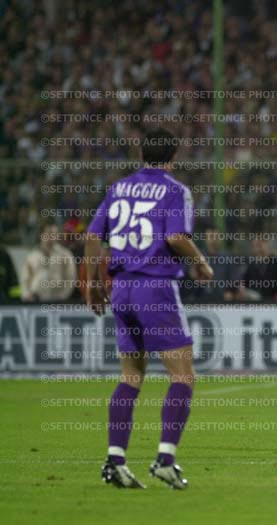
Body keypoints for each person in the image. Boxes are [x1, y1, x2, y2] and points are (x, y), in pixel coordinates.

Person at [85, 128, 213, 490]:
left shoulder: (118, 188)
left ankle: (115, 462)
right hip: (154, 287)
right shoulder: (175, 191)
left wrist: (93, 282)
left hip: (122, 288)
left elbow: (93, 237)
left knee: (130, 377)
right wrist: (200, 263)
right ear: (174, 157)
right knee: (183, 376)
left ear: (141, 154)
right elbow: (175, 237)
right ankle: (165, 461)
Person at [21, 223, 77, 301]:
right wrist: (27, 295)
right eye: (49, 233)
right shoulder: (32, 256)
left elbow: (70, 278)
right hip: (36, 300)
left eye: (55, 234)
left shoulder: (65, 255)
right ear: (41, 235)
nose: (52, 237)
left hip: (58, 299)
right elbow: (25, 279)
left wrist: (62, 297)